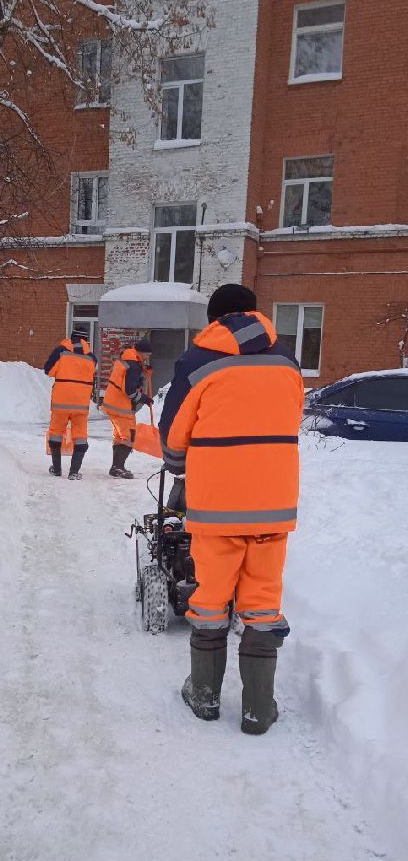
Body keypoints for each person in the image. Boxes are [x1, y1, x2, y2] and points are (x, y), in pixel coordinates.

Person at [159, 284, 304, 734]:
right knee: (262, 601)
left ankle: (203, 696)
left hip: (217, 507)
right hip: (274, 505)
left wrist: (179, 465)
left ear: (214, 319)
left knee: (210, 599)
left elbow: (173, 433)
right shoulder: (287, 362)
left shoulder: (199, 361)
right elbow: (289, 419)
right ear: (255, 315)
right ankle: (258, 709)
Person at [43, 331, 97, 480]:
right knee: (80, 436)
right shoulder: (92, 357)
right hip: (81, 403)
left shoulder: (61, 351)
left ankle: (57, 469)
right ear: (86, 340)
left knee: (56, 433)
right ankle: (74, 472)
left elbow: (48, 370)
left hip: (61, 402)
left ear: (71, 338)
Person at [102, 338, 153, 479]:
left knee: (120, 437)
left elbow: (130, 379)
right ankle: (118, 467)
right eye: (147, 355)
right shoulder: (134, 365)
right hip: (121, 407)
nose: (147, 358)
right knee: (129, 437)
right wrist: (144, 399)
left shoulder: (128, 359)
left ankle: (116, 467)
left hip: (113, 403)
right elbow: (130, 390)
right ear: (141, 353)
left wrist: (143, 371)